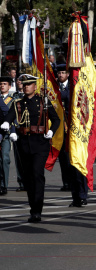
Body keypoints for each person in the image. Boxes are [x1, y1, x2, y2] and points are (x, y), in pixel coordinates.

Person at [1, 74, 60, 222]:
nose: (26, 87)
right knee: (28, 177)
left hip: (40, 142)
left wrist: (52, 131)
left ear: (35, 86)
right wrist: (7, 123)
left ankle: (37, 210)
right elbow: (10, 115)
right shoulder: (18, 103)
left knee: (36, 174)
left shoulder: (43, 101)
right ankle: (33, 207)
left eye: (29, 84)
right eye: (24, 84)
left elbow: (56, 119)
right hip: (24, 143)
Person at [0, 76, 17, 195]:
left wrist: (13, 131)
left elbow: (14, 116)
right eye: (1, 84)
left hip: (6, 133)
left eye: (5, 84)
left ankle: (3, 185)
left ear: (9, 86)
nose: (2, 86)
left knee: (5, 158)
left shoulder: (12, 100)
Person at [56, 63, 72, 191]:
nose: (61, 75)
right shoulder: (54, 86)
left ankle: (74, 181)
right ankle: (66, 181)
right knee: (62, 156)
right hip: (59, 126)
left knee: (71, 155)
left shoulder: (72, 86)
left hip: (70, 124)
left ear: (68, 74)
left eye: (63, 73)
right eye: (59, 73)